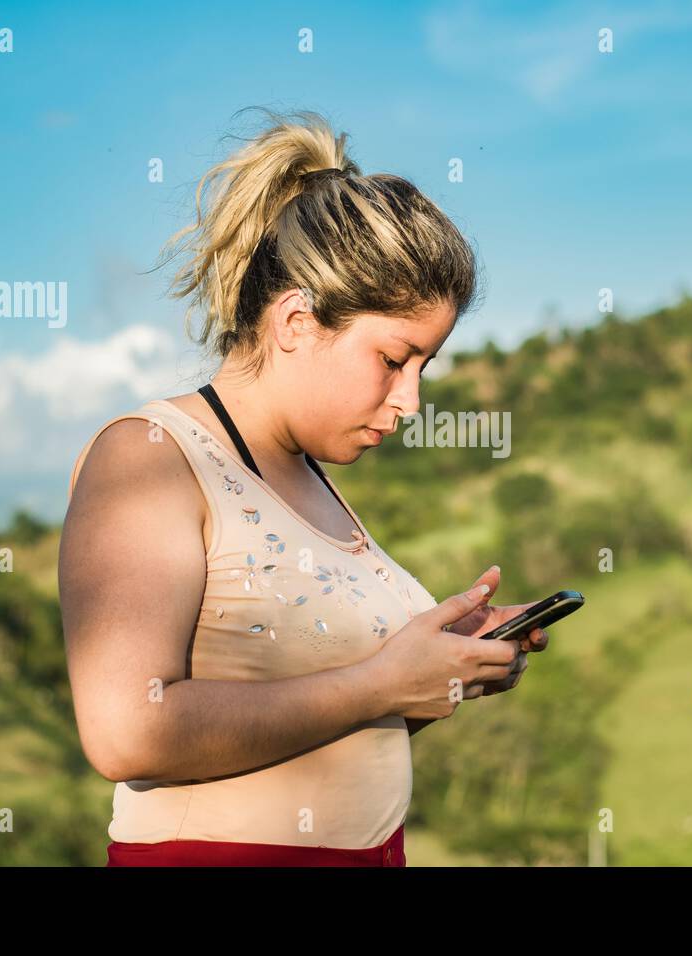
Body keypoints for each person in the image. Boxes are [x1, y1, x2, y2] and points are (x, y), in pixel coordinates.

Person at [58, 108, 551, 867]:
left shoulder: (312, 477)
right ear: (296, 320)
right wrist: (382, 684)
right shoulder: (149, 457)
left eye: (426, 368)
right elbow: (127, 731)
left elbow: (317, 718)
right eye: (394, 359)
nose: (411, 401)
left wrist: (442, 671)